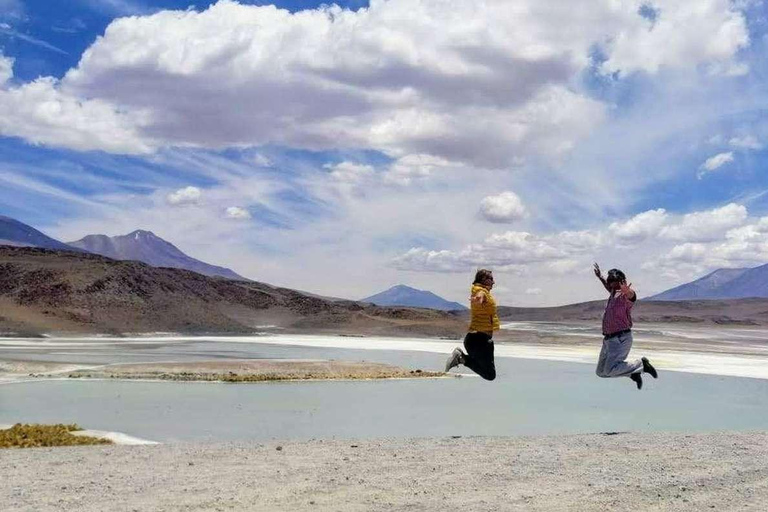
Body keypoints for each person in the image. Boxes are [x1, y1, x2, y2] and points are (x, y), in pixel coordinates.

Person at [593, 263, 658, 390]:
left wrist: (627, 291)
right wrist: (600, 276)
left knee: (610, 370)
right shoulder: (612, 294)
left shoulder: (624, 297)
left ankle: (642, 364)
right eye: (610, 281)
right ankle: (633, 373)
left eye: (615, 281)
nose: (612, 284)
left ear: (622, 281)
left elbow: (632, 296)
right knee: (601, 372)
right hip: (608, 340)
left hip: (620, 338)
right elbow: (608, 287)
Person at [444, 269, 500, 380]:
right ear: (484, 279)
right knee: (490, 375)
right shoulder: (480, 291)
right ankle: (461, 358)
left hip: (478, 340)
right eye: (491, 279)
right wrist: (478, 298)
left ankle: (461, 358)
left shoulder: (484, 292)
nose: (493, 282)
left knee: (488, 373)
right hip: (479, 341)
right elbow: (480, 295)